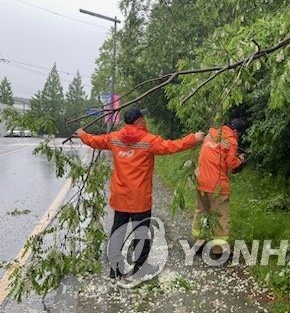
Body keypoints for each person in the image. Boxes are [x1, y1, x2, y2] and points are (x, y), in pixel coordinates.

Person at [75, 107, 204, 288]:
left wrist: (82, 134)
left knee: (118, 232)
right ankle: (140, 268)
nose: (146, 121)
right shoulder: (148, 141)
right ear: (138, 121)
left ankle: (115, 269)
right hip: (139, 198)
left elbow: (95, 141)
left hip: (120, 197)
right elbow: (172, 146)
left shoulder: (114, 138)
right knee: (141, 233)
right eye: (143, 118)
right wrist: (194, 139)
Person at [192, 118, 247, 257]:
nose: (238, 137)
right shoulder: (231, 141)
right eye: (238, 134)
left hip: (200, 180)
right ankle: (219, 250)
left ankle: (197, 244)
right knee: (221, 217)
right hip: (217, 185)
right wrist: (241, 159)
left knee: (201, 212)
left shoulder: (211, 133)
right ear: (235, 131)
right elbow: (232, 165)